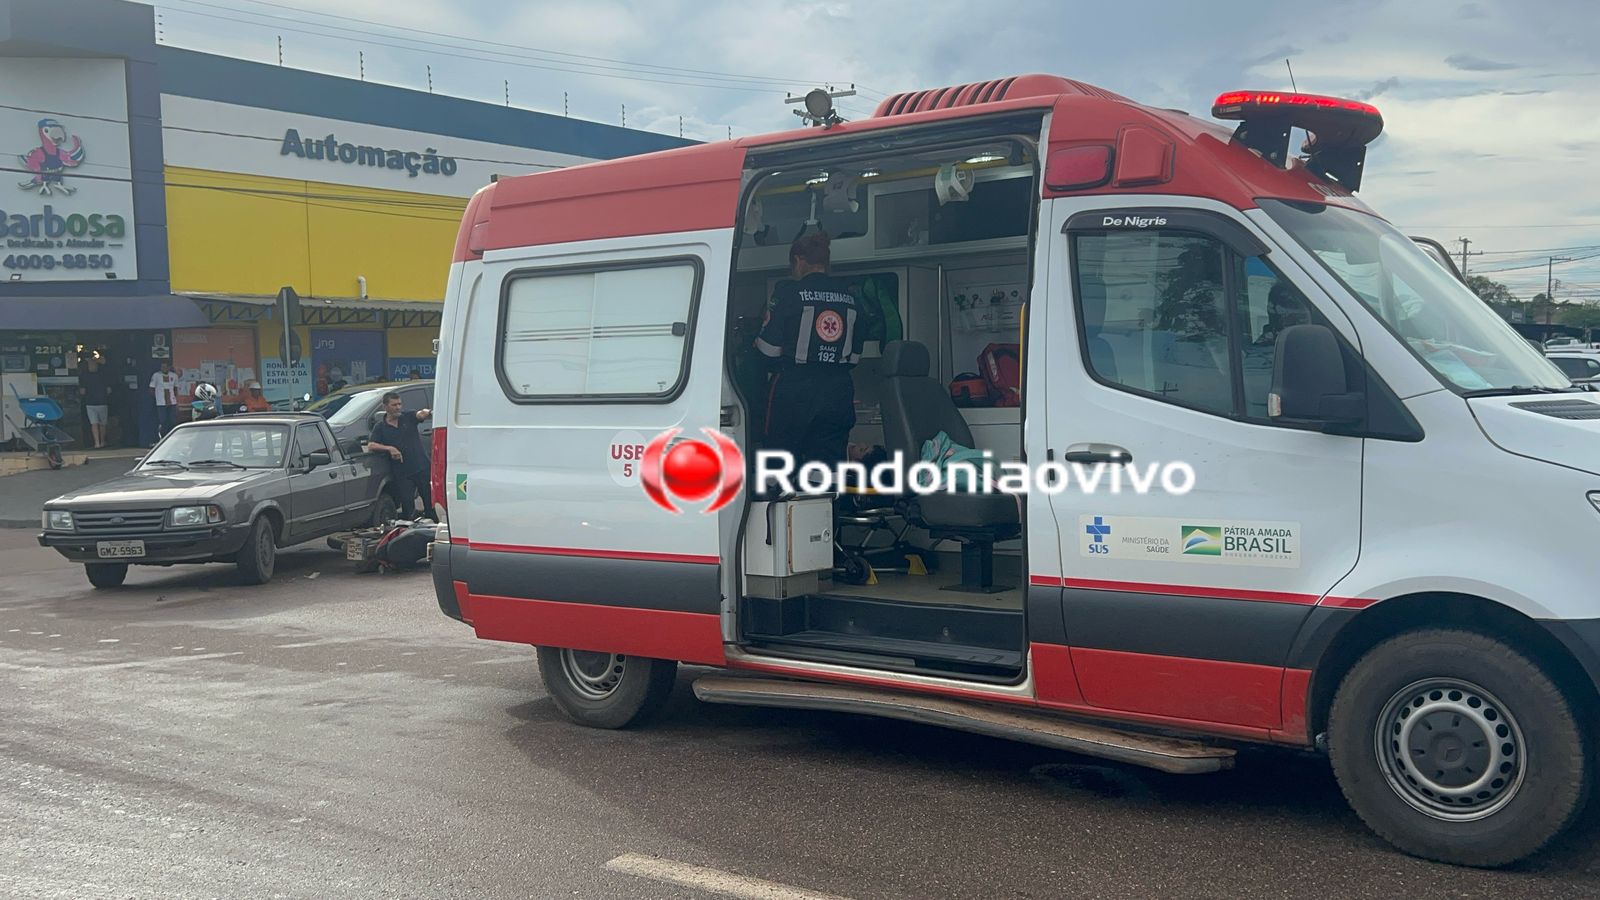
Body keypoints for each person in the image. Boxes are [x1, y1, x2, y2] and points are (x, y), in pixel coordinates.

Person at [753, 232, 864, 471]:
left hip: (794, 390)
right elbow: (855, 356)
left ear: (798, 260)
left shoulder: (788, 293)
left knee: (779, 462)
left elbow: (768, 350)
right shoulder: (851, 298)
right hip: (838, 391)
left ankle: (780, 495)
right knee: (827, 467)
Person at [366, 391, 436, 520]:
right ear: (385, 407)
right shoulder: (380, 427)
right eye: (394, 405)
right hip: (402, 472)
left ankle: (433, 525)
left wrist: (428, 412)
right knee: (407, 506)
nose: (398, 407)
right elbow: (371, 445)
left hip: (422, 467)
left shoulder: (408, 417)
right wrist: (389, 448)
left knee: (430, 503)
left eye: (399, 404)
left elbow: (420, 414)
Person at [78, 356, 112, 448]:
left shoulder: (84, 376)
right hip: (102, 402)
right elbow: (109, 390)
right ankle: (102, 441)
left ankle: (97, 443)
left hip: (90, 403)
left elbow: (82, 391)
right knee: (102, 424)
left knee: (94, 423)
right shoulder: (103, 376)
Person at [149, 360, 179, 439]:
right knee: (163, 421)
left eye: (165, 367)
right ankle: (163, 437)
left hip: (172, 403)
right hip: (161, 403)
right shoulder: (156, 375)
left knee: (172, 421)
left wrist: (174, 398)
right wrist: (157, 397)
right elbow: (151, 389)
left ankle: (173, 437)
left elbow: (175, 389)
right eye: (162, 367)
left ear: (169, 367)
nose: (163, 368)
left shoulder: (174, 376)